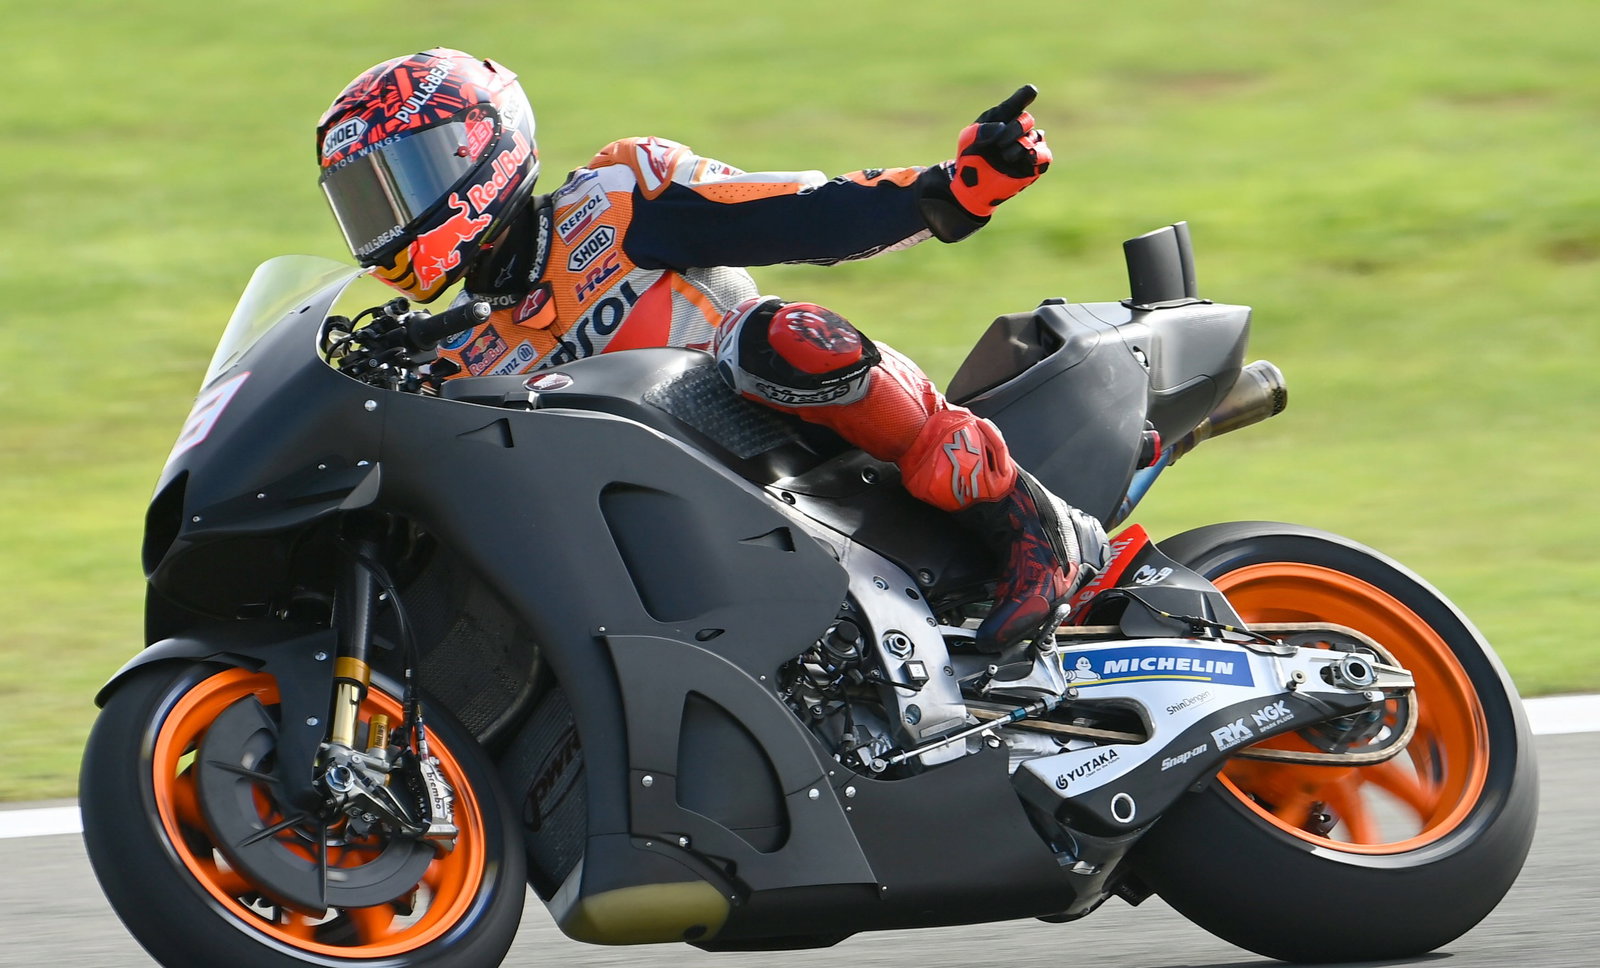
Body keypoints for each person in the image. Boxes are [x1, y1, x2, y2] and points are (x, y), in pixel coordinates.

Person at [315, 48, 1108, 650]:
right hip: (654, 533)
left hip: (779, 438)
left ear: (474, 154)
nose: (386, 220)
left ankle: (1028, 525)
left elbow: (804, 214)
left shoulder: (622, 195)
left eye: (398, 182)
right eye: (363, 202)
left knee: (777, 337)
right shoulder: (454, 355)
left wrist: (958, 186)